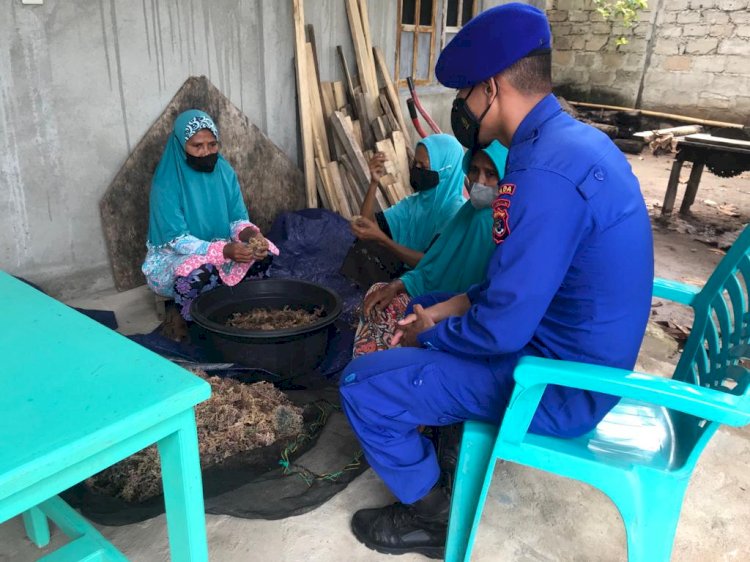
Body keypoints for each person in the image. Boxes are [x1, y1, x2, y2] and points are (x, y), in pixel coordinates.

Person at [339, 4, 654, 559]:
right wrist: (444, 308)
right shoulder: (567, 142)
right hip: (573, 350)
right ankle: (434, 409)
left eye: (462, 95)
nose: (459, 108)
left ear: (491, 87)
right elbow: (525, 280)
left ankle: (430, 518)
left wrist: (426, 336)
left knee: (364, 385)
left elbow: (502, 329)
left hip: (559, 383)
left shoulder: (544, 175)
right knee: (435, 300)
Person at [352, 141, 508, 358]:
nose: (479, 181)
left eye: (491, 173)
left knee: (392, 316)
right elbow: (435, 265)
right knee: (375, 288)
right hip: (426, 286)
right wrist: (373, 184)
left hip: (457, 314)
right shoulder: (467, 211)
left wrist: (383, 243)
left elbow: (469, 293)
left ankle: (377, 374)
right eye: (473, 170)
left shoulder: (488, 221)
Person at [142, 109, 278, 324]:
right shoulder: (166, 183)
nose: (206, 152)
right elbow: (177, 240)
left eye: (212, 144)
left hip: (221, 248)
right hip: (175, 256)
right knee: (198, 274)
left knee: (265, 253)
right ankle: (193, 322)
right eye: (197, 146)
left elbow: (236, 219)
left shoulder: (224, 172)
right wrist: (225, 251)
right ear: (180, 146)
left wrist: (252, 236)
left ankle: (243, 308)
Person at [340, 134, 466, 288]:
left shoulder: (456, 212)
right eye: (415, 163)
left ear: (445, 171)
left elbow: (429, 262)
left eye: (424, 166)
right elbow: (367, 224)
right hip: (406, 271)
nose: (417, 169)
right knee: (366, 247)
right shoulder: (416, 202)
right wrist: (373, 182)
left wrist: (383, 239)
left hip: (432, 282)